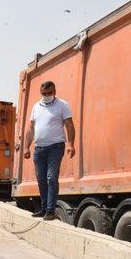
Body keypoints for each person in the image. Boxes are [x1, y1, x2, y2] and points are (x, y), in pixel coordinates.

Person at [22, 81, 75, 221]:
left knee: (51, 178)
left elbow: (69, 125)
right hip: (39, 148)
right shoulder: (36, 107)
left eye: (49, 93)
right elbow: (31, 128)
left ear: (54, 91)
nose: (46, 96)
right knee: (41, 180)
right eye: (43, 94)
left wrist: (70, 144)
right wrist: (27, 147)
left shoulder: (62, 105)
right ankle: (44, 208)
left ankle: (51, 211)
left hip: (55, 147)